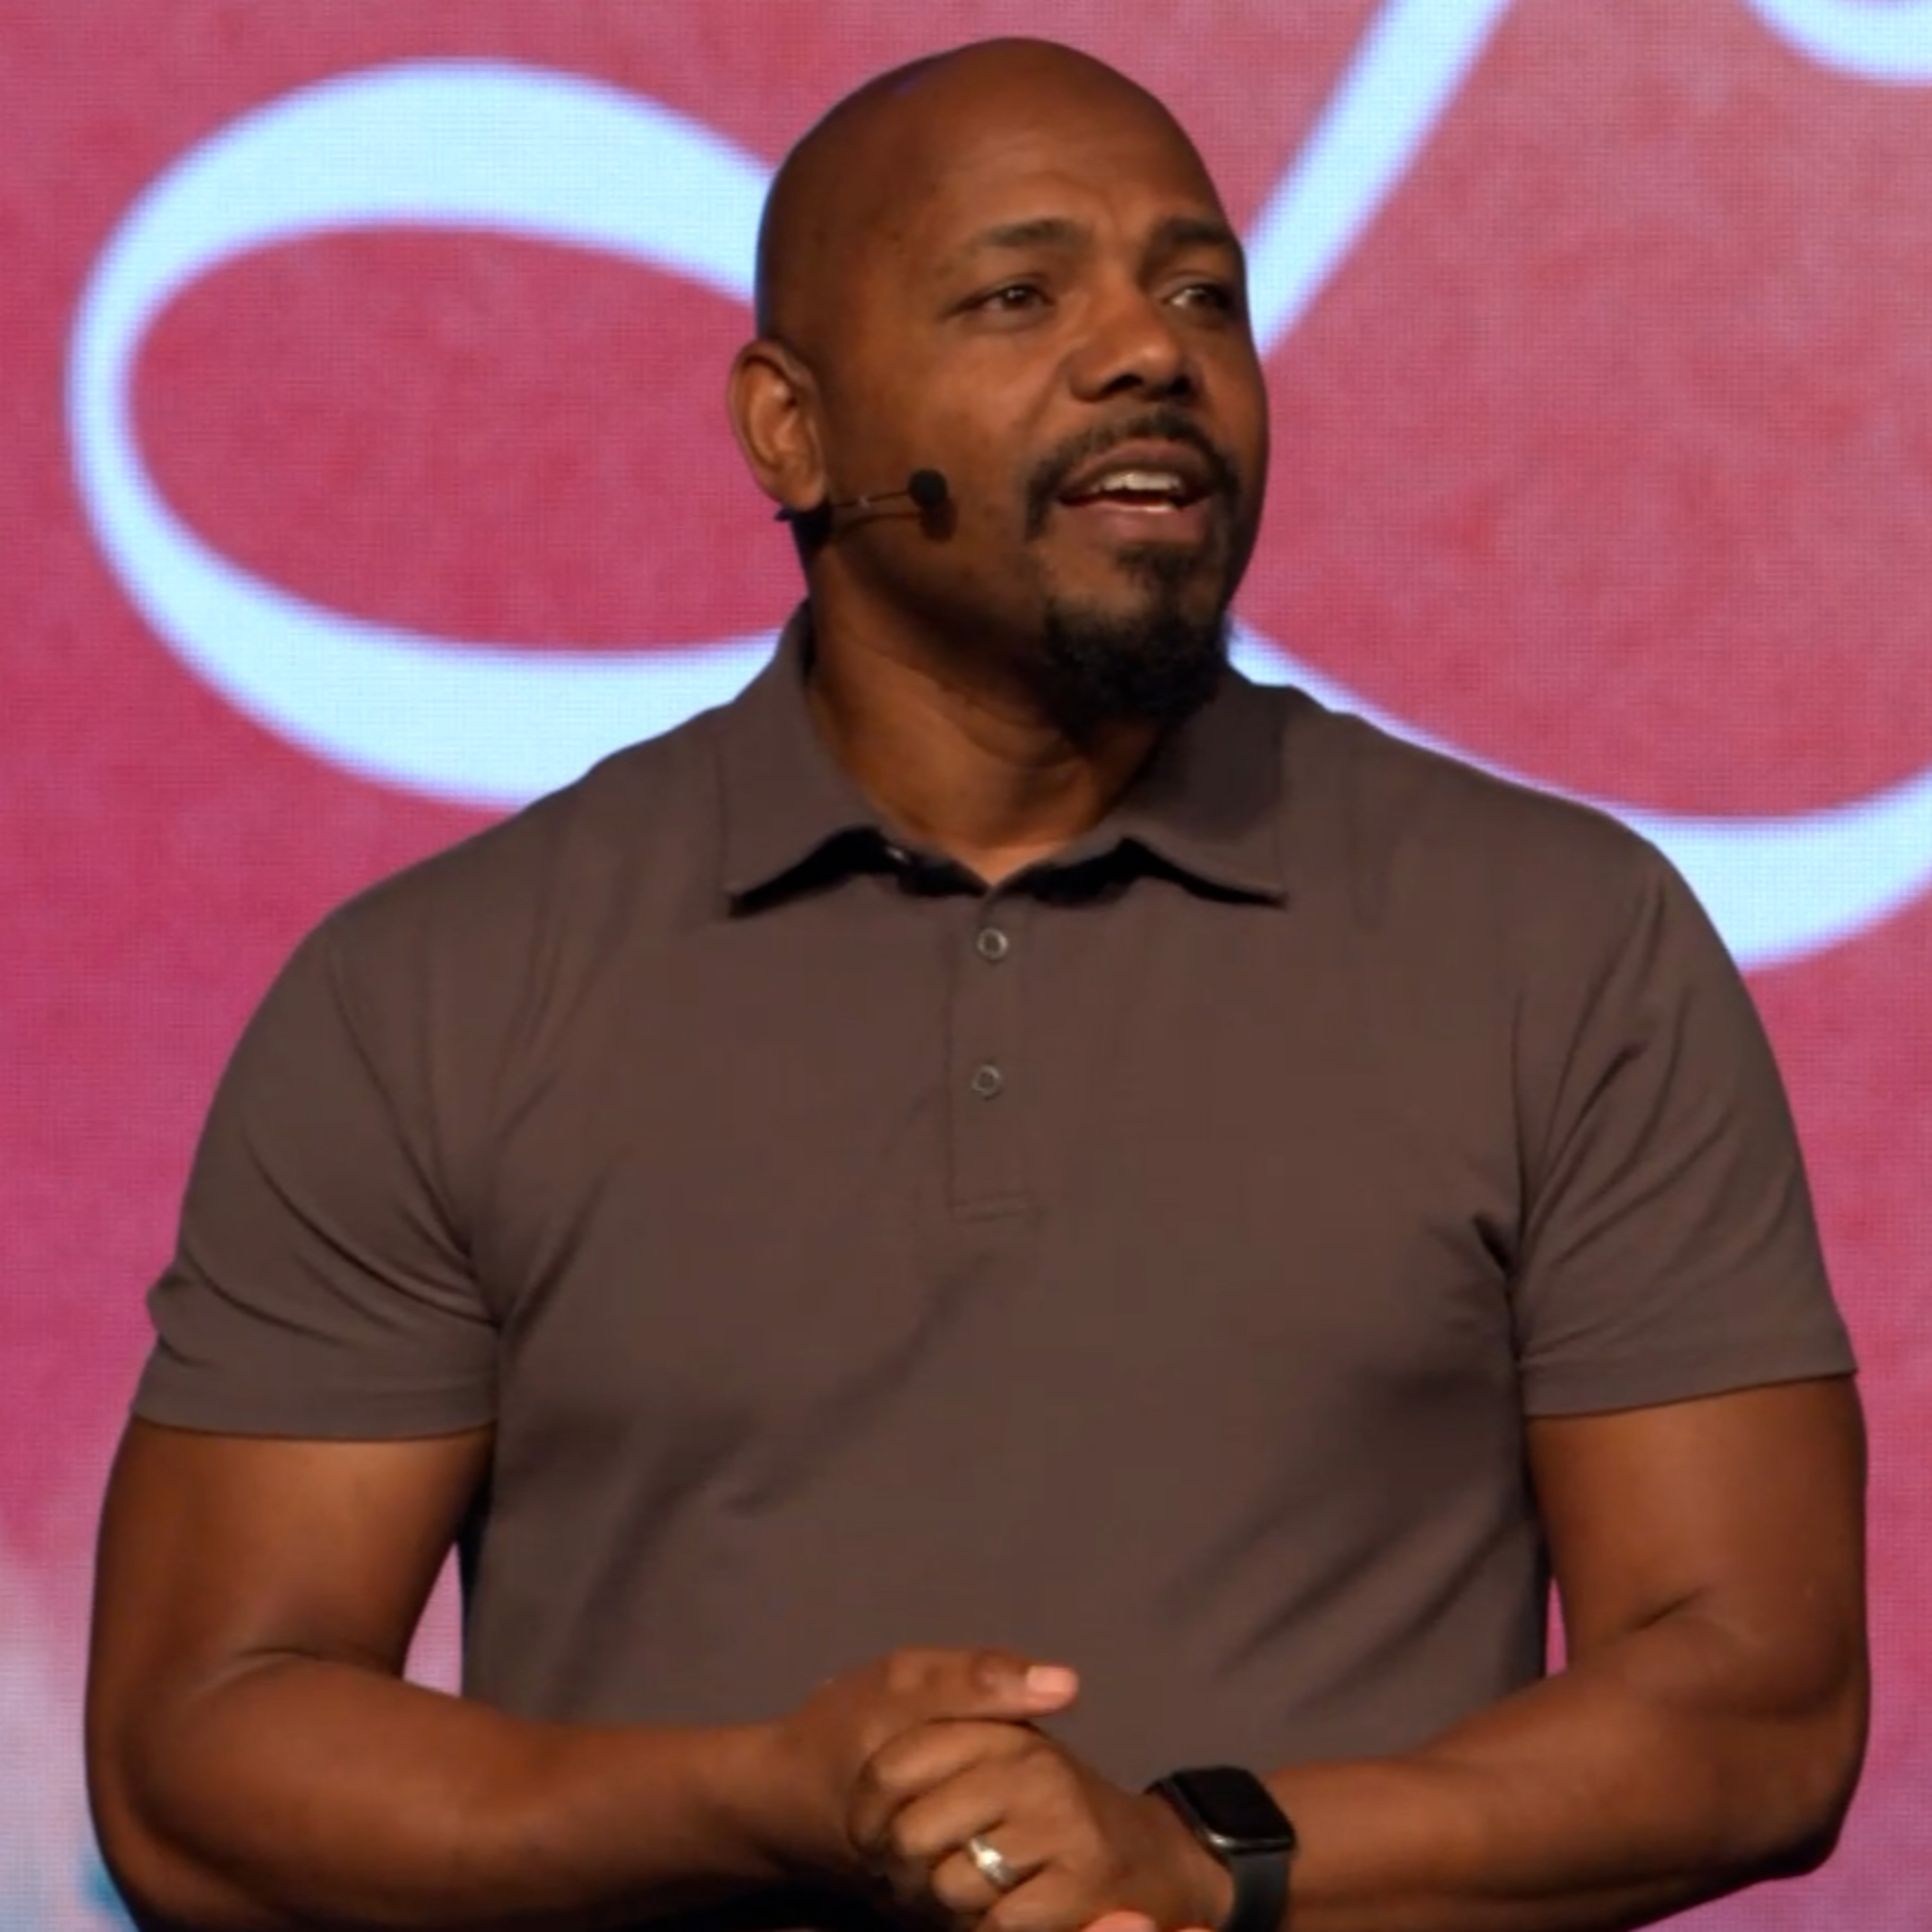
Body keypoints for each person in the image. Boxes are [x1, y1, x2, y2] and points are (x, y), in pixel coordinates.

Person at [86, 35, 1867, 1932]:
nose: (1149, 351)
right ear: (792, 432)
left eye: (1203, 294)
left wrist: (1203, 1859)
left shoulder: (1559, 942)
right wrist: (765, 1800)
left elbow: (1758, 1701)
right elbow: (201, 1761)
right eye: (1022, 296)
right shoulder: (439, 992)